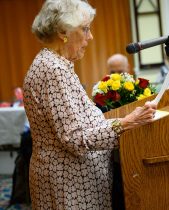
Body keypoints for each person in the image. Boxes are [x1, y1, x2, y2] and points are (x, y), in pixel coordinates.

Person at [23, 0, 157, 209]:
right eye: (85, 29)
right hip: (69, 184)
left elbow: (83, 124)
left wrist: (124, 120)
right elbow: (76, 139)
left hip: (74, 181)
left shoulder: (58, 65)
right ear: (62, 31)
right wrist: (126, 123)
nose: (90, 36)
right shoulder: (53, 70)